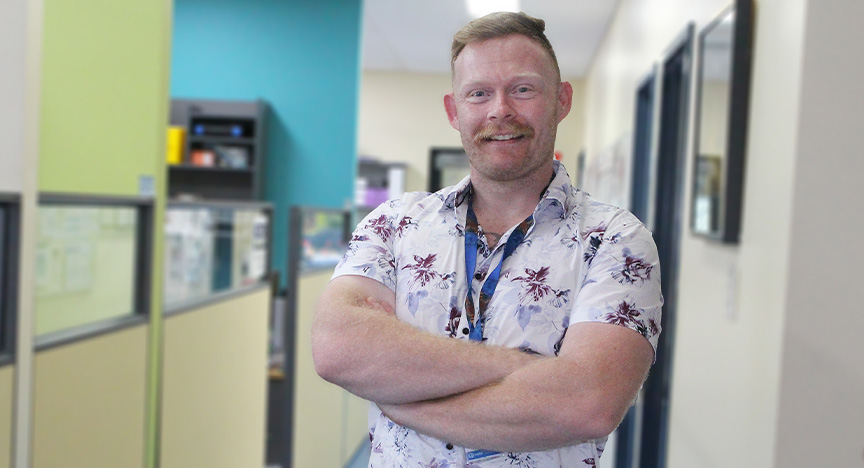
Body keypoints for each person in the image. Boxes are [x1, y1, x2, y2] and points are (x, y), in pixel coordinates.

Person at [312, 11, 662, 468]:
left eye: (523, 89)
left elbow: (588, 404)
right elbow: (337, 349)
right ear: (454, 111)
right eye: (479, 93)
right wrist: (524, 369)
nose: (501, 110)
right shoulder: (394, 223)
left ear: (561, 100)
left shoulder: (616, 241)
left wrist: (403, 398)